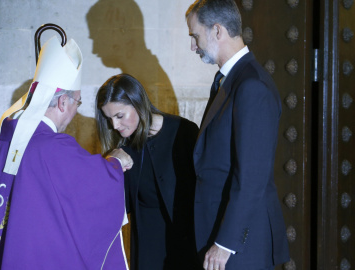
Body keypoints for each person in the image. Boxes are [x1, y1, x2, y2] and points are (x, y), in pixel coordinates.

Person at [0, 36, 132, 269]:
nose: (75, 111)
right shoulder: (53, 147)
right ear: (63, 102)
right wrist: (114, 161)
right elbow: (95, 184)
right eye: (77, 103)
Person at [185, 1, 290, 269]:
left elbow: (252, 176)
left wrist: (225, 244)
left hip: (242, 244)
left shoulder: (251, 85)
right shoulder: (228, 80)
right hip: (222, 234)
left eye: (195, 36)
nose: (193, 46)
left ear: (217, 31)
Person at [95, 73, 202, 270]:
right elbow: (113, 208)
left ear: (138, 103)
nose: (115, 126)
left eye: (120, 116)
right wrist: (110, 165)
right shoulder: (123, 150)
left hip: (190, 248)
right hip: (148, 253)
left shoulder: (184, 132)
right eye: (109, 119)